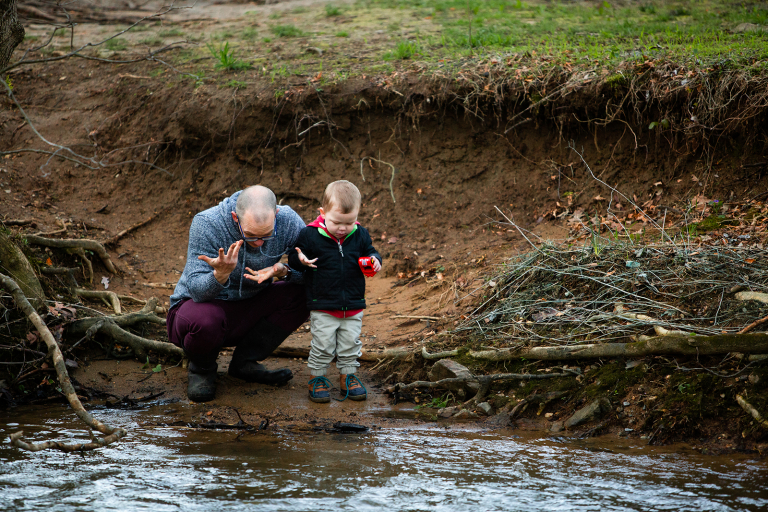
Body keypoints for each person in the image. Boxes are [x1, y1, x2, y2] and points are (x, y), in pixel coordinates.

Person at [167, 185, 309, 402]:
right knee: (205, 320)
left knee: (307, 293)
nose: (259, 242)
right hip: (199, 310)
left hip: (250, 306)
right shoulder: (208, 223)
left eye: (267, 235)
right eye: (251, 235)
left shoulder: (288, 220)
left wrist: (285, 271)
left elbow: (318, 274)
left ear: (276, 215)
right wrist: (220, 276)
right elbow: (196, 291)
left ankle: (245, 363)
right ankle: (202, 369)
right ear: (235, 217)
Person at [288, 180, 382, 403]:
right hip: (323, 303)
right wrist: (300, 260)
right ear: (323, 213)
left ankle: (347, 377)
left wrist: (375, 260)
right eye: (337, 222)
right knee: (323, 344)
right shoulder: (310, 235)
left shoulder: (360, 234)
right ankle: (317, 378)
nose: (343, 228)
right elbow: (294, 258)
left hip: (353, 302)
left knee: (351, 343)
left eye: (349, 222)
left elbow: (371, 251)